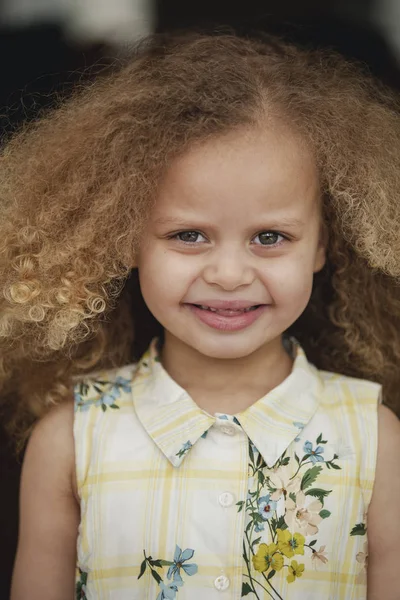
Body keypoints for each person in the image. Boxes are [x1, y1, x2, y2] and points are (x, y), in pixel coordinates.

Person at [3, 31, 400, 600]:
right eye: (189, 235)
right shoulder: (68, 441)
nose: (230, 273)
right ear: (128, 240)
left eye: (270, 236)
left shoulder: (376, 441)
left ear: (322, 247)